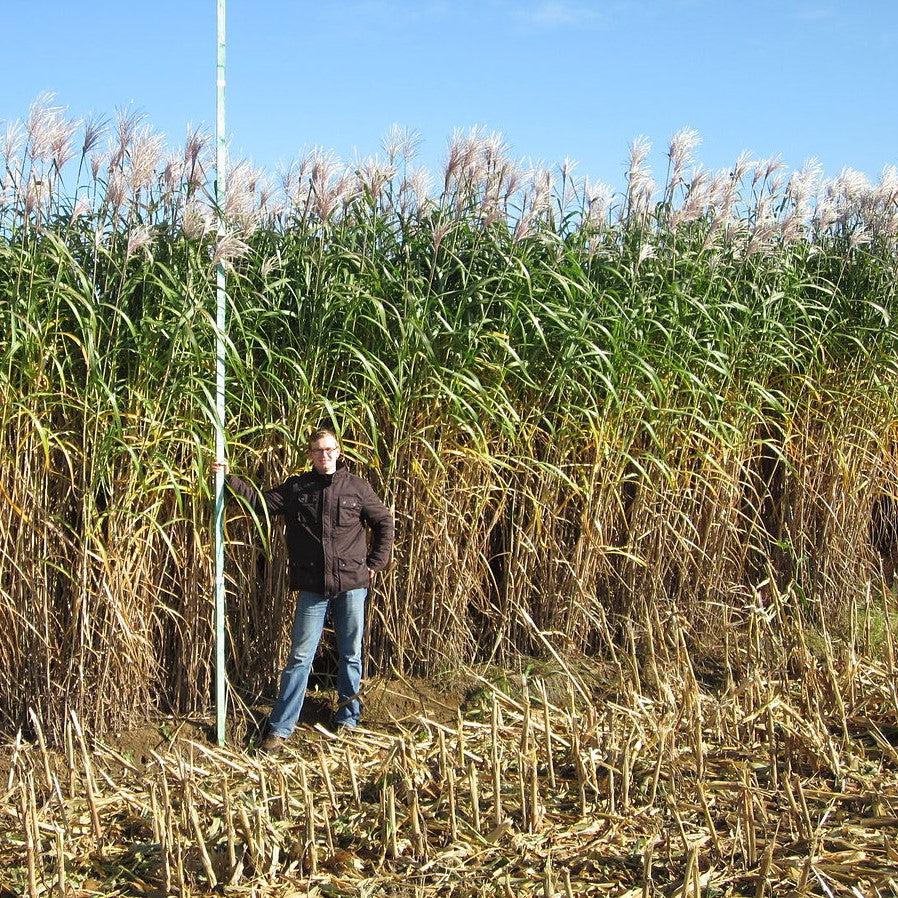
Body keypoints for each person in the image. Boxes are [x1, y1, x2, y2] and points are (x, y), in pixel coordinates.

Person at [215, 428, 394, 751]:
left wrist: (375, 562)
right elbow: (260, 503)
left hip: (352, 584)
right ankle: (281, 727)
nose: (324, 455)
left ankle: (348, 719)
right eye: (318, 450)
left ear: (338, 452)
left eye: (329, 449)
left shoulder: (357, 487)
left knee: (350, 653)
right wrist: (229, 479)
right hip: (312, 586)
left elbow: (383, 522)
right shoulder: (298, 488)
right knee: (300, 656)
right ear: (310, 454)